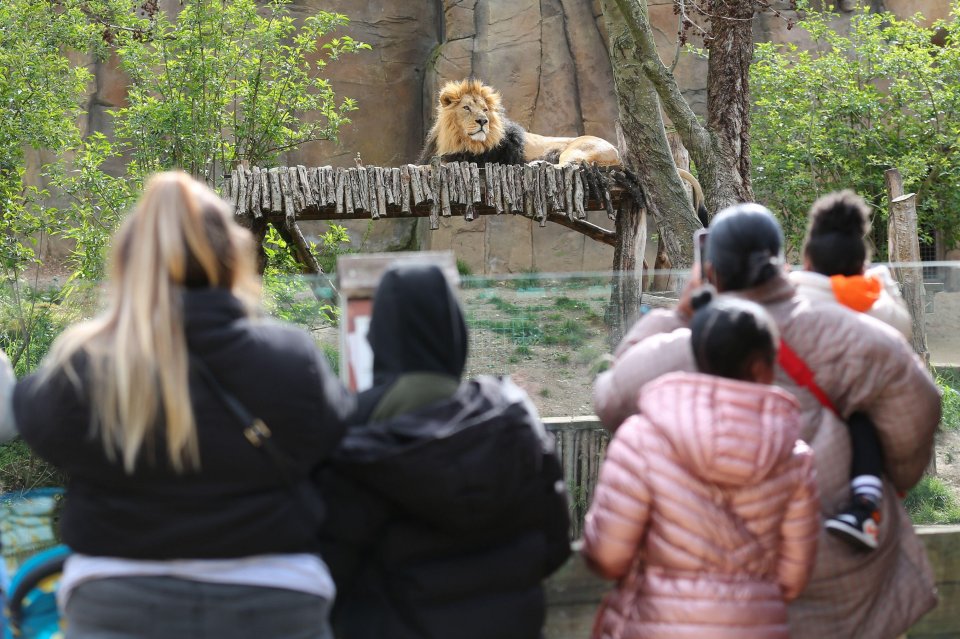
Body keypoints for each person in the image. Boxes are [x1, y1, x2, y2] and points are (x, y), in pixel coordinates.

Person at [13, 171, 352, 639]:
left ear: (128, 263)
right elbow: (335, 439)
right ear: (233, 258)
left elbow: (28, 417)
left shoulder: (84, 363)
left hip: (118, 606)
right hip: (273, 606)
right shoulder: (292, 358)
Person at [593, 203, 941, 639]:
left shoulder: (682, 348)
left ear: (711, 271)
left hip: (716, 586)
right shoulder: (859, 336)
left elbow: (610, 400)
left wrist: (679, 314)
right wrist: (879, 489)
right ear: (784, 263)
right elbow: (918, 413)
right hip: (838, 559)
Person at [318, 263, 572, 639]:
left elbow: (329, 568)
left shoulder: (351, 429)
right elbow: (555, 545)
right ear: (457, 331)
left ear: (379, 335)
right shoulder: (511, 420)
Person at [583, 294, 819, 639]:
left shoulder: (641, 438)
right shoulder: (795, 457)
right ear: (762, 367)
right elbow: (793, 579)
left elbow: (608, 557)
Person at [791, 190, 911, 550]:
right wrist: (880, 281)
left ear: (808, 262)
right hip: (859, 424)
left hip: (800, 422)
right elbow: (902, 324)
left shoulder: (793, 299)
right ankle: (865, 505)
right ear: (861, 267)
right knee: (865, 418)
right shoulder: (877, 307)